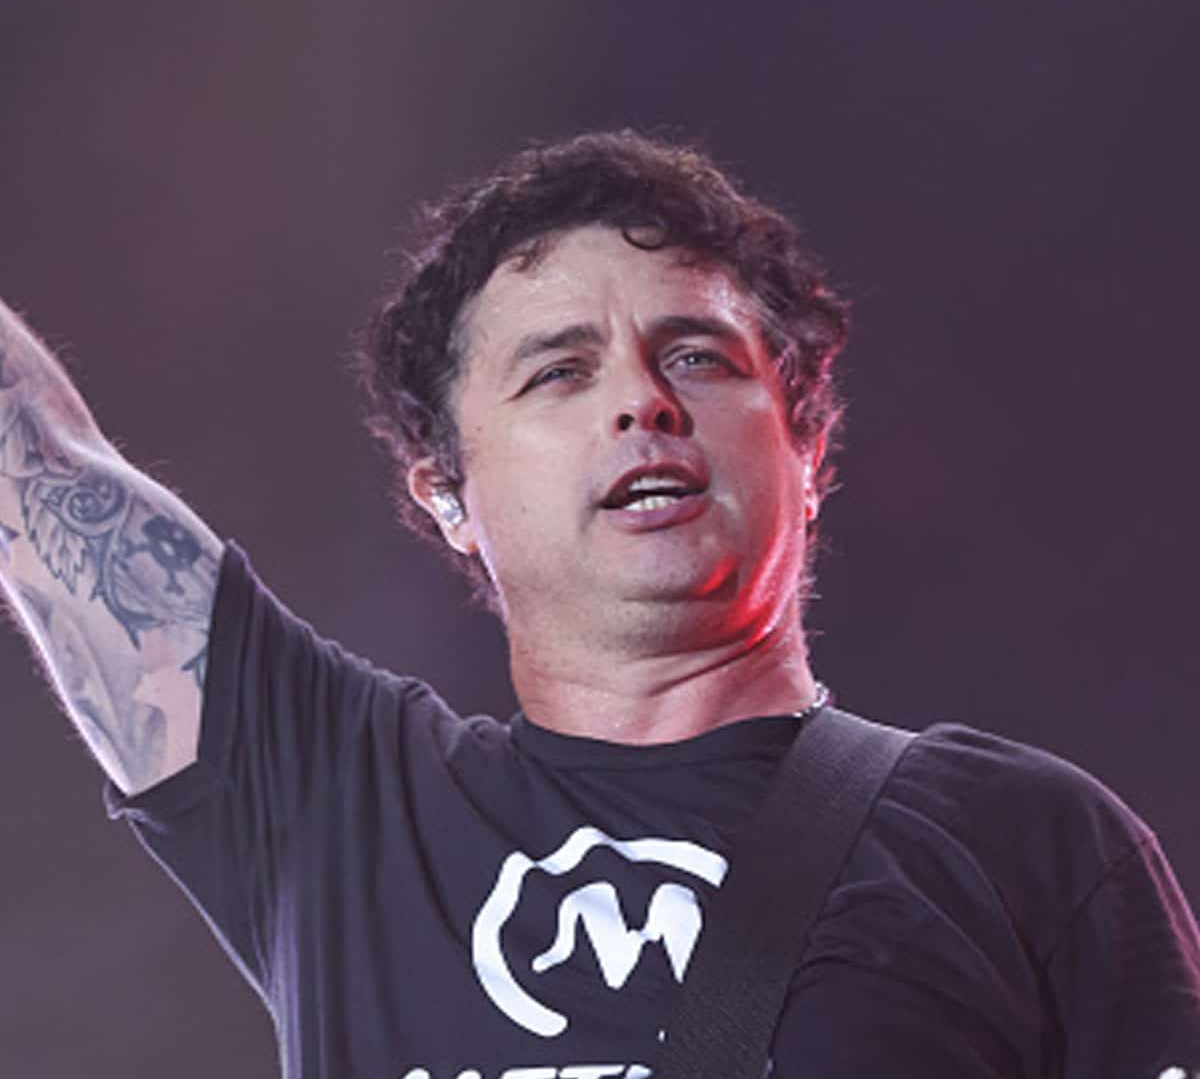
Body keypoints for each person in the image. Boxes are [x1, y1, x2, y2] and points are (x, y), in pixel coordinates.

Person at [2, 130, 1198, 1079]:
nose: (641, 401)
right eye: (559, 371)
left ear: (809, 446)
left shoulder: (1027, 842)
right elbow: (37, 470)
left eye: (697, 357)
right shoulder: (337, 800)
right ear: (446, 490)